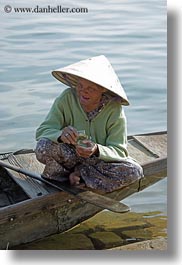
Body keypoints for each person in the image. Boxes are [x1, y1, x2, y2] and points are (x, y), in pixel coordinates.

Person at [35, 55, 143, 192]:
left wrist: (96, 149)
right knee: (42, 146)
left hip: (98, 163)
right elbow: (42, 131)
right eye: (80, 86)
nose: (83, 92)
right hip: (71, 156)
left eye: (90, 89)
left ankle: (81, 176)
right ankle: (63, 176)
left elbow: (120, 151)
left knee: (134, 171)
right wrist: (60, 135)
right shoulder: (67, 97)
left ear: (102, 89)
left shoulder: (114, 109)